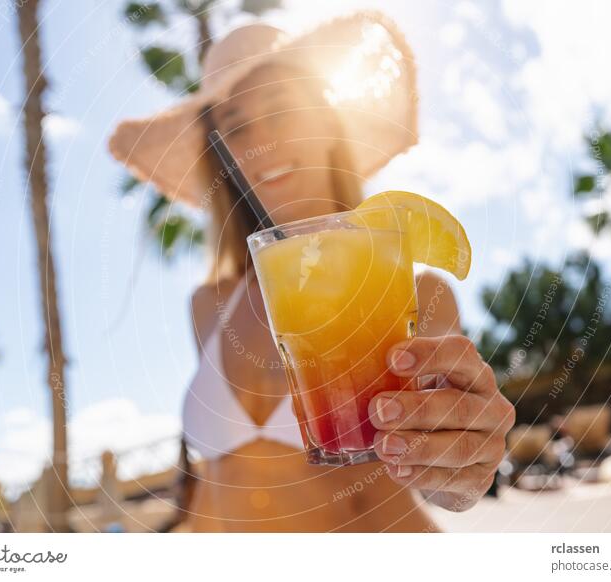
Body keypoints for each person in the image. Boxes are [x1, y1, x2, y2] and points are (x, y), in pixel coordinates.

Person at [109, 11, 515, 532]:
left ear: (327, 120)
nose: (265, 141)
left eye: (281, 108)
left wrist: (461, 468)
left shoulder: (413, 289)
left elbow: (439, 472)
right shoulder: (208, 306)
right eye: (237, 126)